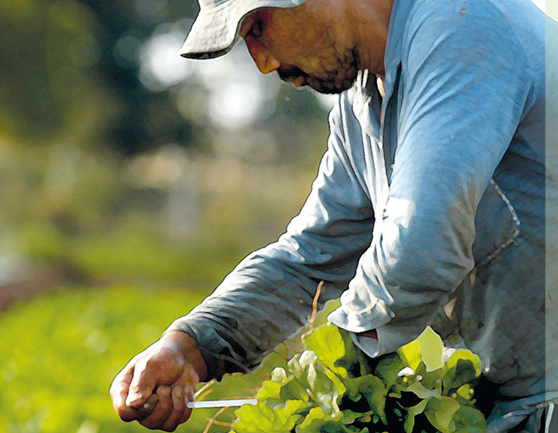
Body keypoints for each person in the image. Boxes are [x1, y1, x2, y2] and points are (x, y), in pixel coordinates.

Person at [110, 0, 558, 431]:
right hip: (515, 405)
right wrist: (192, 345)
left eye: (258, 27)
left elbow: (420, 245)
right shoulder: (364, 99)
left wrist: (329, 374)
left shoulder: (463, 27)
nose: (264, 62)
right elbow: (311, 258)